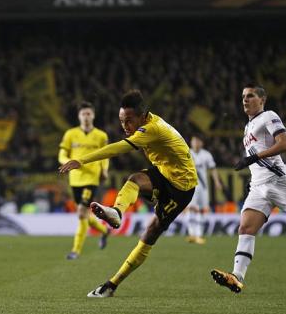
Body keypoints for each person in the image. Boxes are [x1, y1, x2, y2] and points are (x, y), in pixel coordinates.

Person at [59, 90, 197, 297]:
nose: (125, 126)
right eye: (122, 121)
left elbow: (117, 148)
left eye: (129, 120)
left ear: (143, 116)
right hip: (164, 173)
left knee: (150, 234)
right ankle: (117, 212)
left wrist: (82, 160)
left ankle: (112, 285)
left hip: (181, 187)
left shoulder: (152, 128)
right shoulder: (147, 123)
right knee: (134, 180)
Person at [211, 84, 286, 293]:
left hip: (279, 182)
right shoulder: (248, 127)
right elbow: (257, 156)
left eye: (250, 96)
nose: (245, 100)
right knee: (246, 228)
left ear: (262, 100)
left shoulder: (269, 116)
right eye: (243, 97)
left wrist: (254, 157)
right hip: (259, 186)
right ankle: (236, 277)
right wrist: (254, 170)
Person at [58, 101, 110, 259]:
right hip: (75, 180)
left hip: (91, 178)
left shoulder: (101, 136)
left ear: (93, 115)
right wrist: (66, 162)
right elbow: (62, 154)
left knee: (81, 213)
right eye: (83, 114)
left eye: (88, 113)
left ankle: (75, 251)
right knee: (85, 214)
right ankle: (104, 231)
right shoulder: (70, 134)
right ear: (79, 116)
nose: (86, 116)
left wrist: (104, 169)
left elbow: (105, 154)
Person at [186, 136, 222, 244]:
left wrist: (217, 182)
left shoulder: (206, 154)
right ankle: (191, 234)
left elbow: (213, 169)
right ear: (191, 142)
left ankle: (199, 234)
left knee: (201, 209)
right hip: (191, 186)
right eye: (194, 141)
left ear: (202, 143)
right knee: (191, 208)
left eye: (198, 141)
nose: (196, 143)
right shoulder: (186, 152)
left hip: (203, 187)